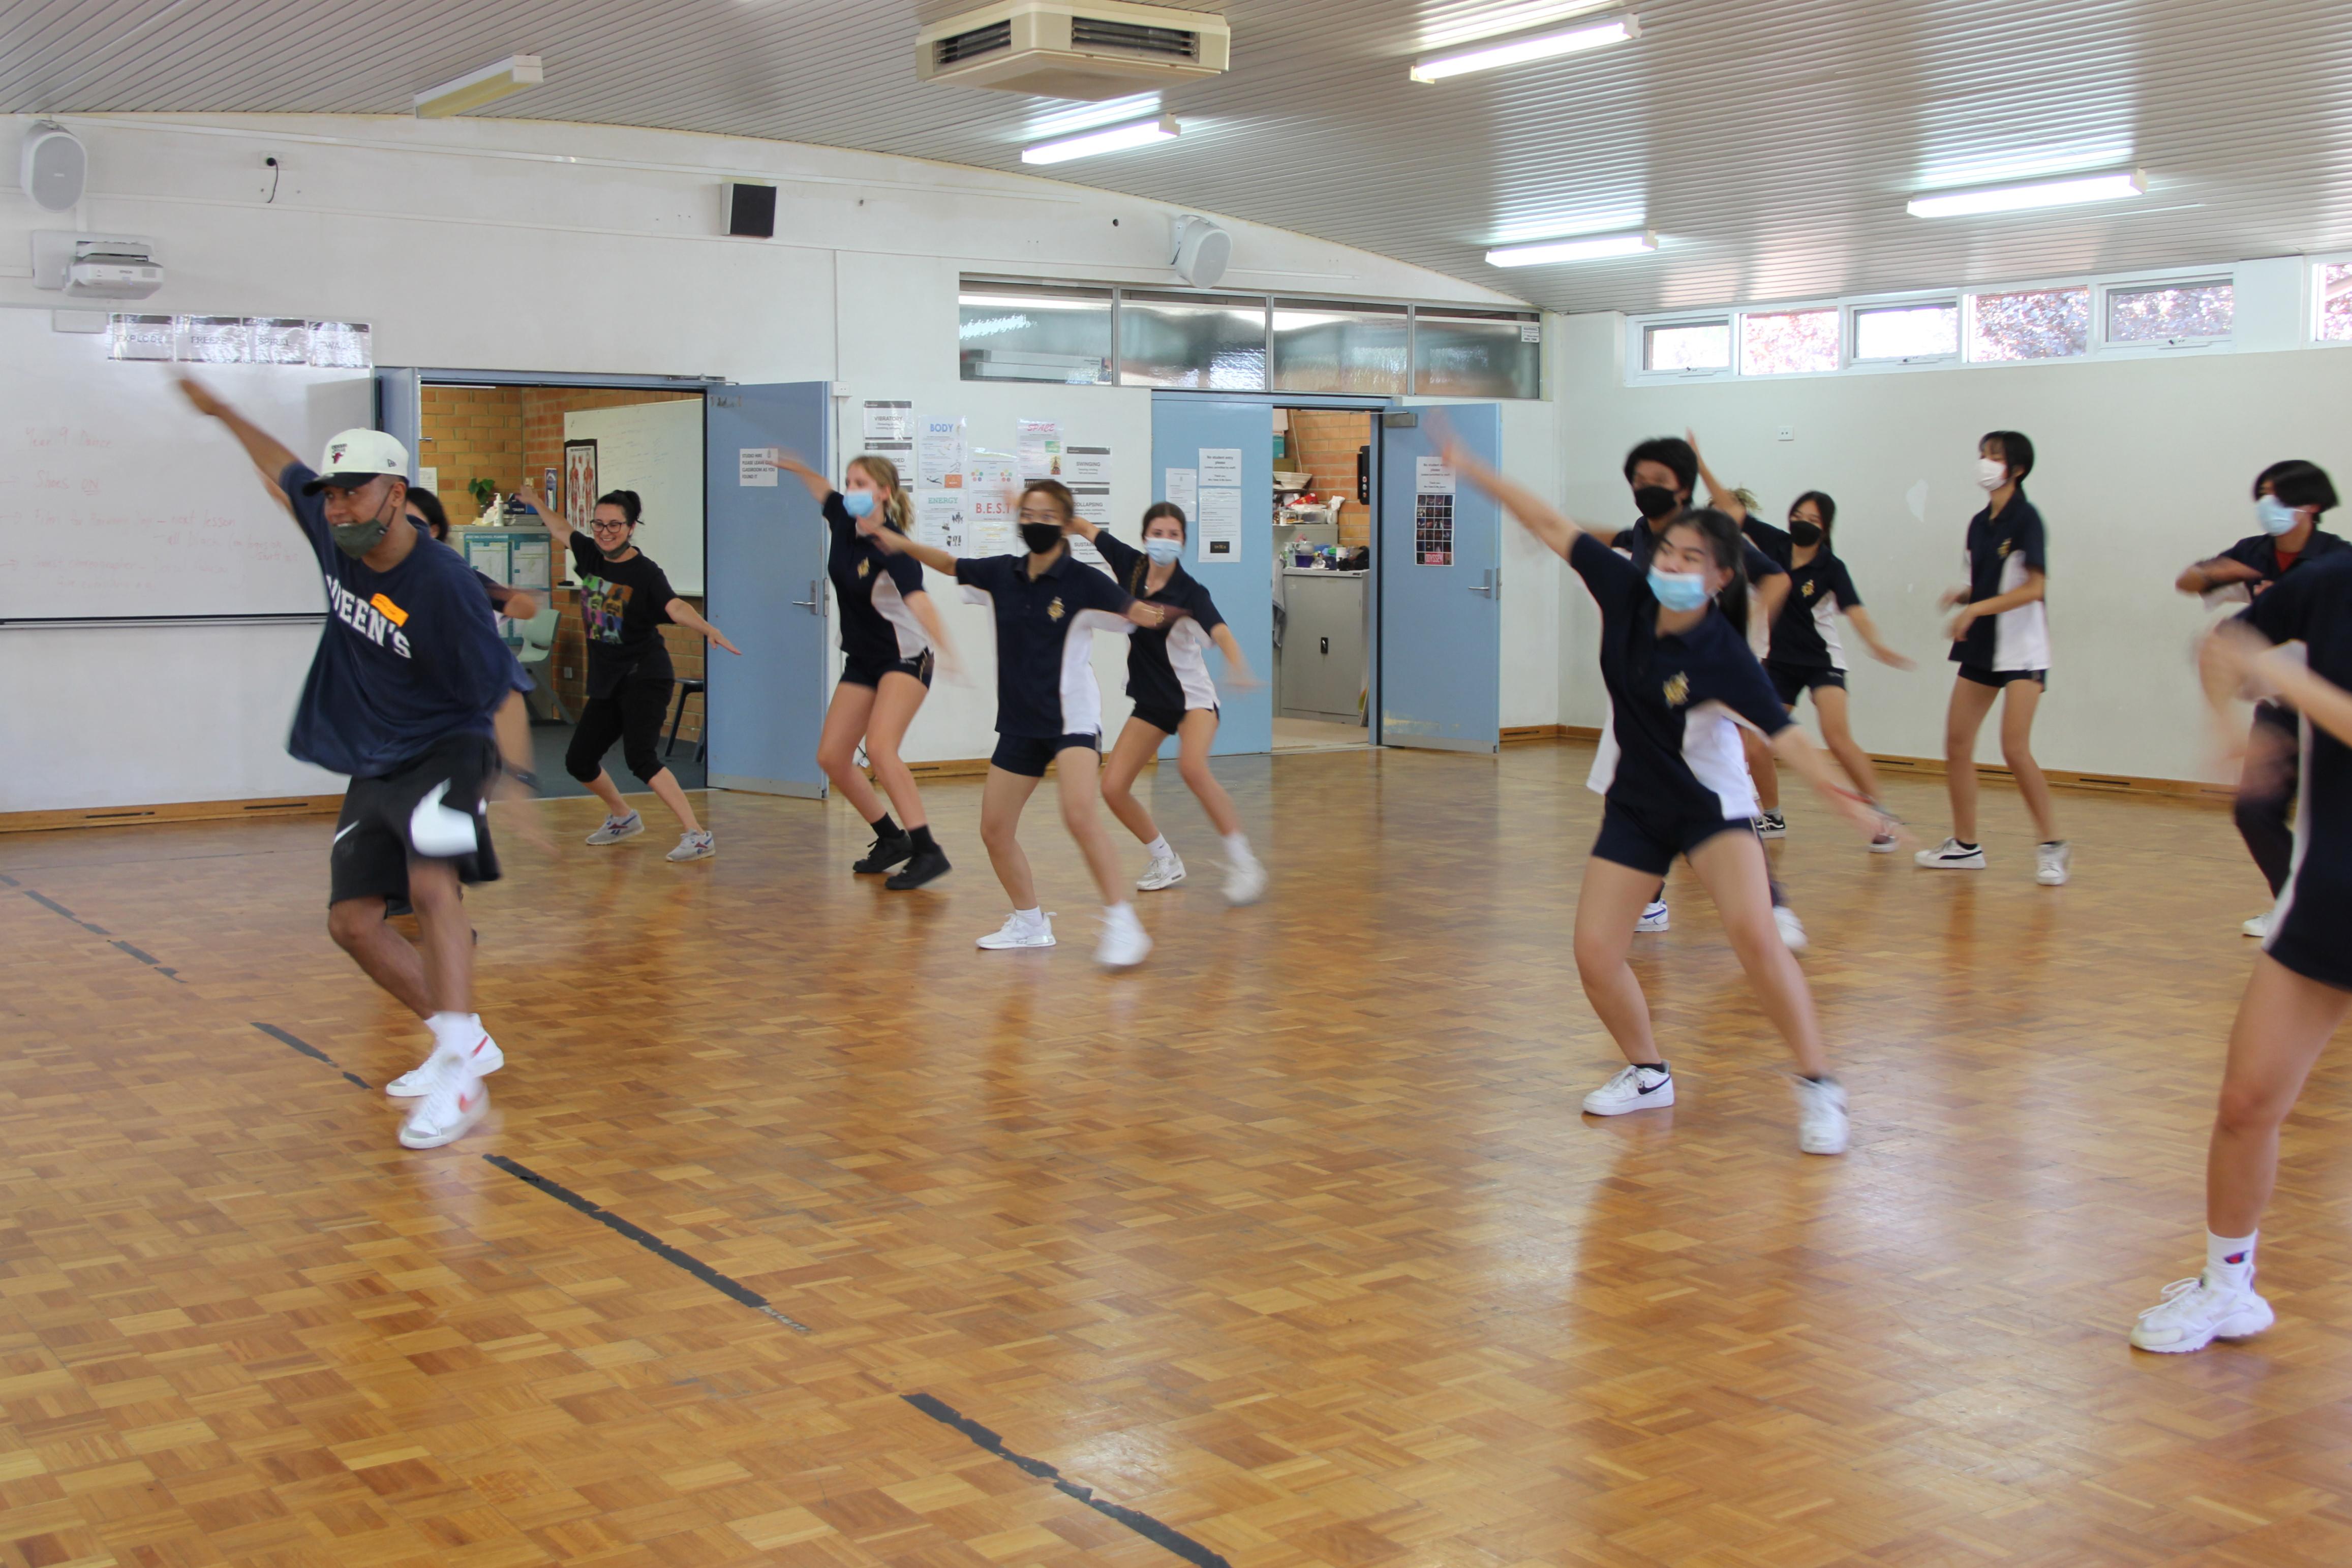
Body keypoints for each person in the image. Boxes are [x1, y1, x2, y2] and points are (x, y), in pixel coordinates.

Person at [1443, 430, 1894, 1155]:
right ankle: (1648, 1072)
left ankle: (1819, 1084)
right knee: (1594, 951)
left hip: (1709, 809)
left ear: (1719, 578)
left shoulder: (1720, 651)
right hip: (1636, 804)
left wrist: (1842, 797)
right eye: (1668, 552)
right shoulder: (1623, 589)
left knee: (1755, 938)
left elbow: (1783, 735)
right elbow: (1549, 522)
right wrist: (1474, 470)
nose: (1672, 563)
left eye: (1691, 558)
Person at [179, 377, 517, 1149]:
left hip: (451, 745)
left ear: (396, 494)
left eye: (352, 493)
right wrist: (224, 411)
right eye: (331, 496)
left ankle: (460, 1080)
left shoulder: (444, 583)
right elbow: (283, 467)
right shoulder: (334, 534)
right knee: (352, 923)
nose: (336, 508)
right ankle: (463, 1041)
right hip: (381, 754)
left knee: (430, 886)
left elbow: (496, 688)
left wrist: (511, 784)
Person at [2129, 555, 2352, 1351]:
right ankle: (2227, 1288)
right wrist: (2225, 729)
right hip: (2332, 891)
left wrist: (2285, 680)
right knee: (2246, 1101)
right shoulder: (2331, 583)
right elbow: (2223, 643)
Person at [861, 480, 1178, 966]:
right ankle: (1030, 923)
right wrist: (901, 543)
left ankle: (1123, 922)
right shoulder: (1002, 573)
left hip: (1071, 718)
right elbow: (949, 563)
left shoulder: (1083, 581)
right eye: (1028, 515)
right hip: (1019, 720)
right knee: (994, 829)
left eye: (1048, 517)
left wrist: (1173, 608)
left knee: (1078, 814)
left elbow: (1139, 612)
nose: (1035, 523)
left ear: (1065, 525)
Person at [1615, 435, 1798, 944]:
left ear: (1683, 488)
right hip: (1651, 686)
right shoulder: (1641, 534)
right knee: (1645, 789)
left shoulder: (1708, 535)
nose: (1646, 488)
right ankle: (1651, 898)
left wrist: (1744, 633)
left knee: (1723, 792)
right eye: (1639, 479)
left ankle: (1772, 904)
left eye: (1658, 480)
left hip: (1703, 684)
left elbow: (1775, 579)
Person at [516, 482, 739, 862]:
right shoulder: (590, 555)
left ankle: (698, 835)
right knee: (579, 760)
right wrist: (536, 501)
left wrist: (708, 629)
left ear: (631, 527)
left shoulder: (645, 573)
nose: (605, 532)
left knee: (641, 758)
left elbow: (675, 607)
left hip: (645, 675)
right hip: (609, 679)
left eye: (614, 525)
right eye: (598, 524)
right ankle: (623, 816)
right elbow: (561, 528)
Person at [2174, 460, 2347, 937]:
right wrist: (2215, 570)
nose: (2267, 505)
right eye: (2263, 495)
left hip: (2332, 708)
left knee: (2330, 820)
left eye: (2278, 496)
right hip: (2278, 709)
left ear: (2310, 505)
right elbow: (2194, 594)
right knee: (2253, 811)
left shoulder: (2335, 562)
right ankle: (2293, 904)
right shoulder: (2253, 553)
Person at [1065, 502, 1268, 905]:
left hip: (1192, 699)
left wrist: (1238, 665)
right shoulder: (1131, 565)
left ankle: (1244, 861)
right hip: (1151, 700)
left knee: (1192, 767)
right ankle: (1165, 859)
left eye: (1173, 534)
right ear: (1146, 537)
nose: (1164, 540)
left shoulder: (1190, 591)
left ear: (1183, 542)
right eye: (1157, 533)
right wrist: (1052, 518)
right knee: (1113, 787)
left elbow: (1220, 631)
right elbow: (1086, 528)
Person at [775, 451, 958, 889]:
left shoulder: (894, 547)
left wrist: (948, 648)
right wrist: (797, 467)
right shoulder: (842, 518)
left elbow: (919, 601)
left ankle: (928, 851)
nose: (851, 490)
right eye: (849, 482)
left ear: (884, 492)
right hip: (862, 658)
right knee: (831, 757)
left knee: (879, 747)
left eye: (860, 484)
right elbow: (822, 490)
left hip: (905, 658)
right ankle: (892, 839)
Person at [1914, 431, 2068, 884]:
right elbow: (1985, 582)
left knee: (2014, 748)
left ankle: (2052, 846)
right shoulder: (1978, 523)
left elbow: (2034, 588)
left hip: (2023, 648)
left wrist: (1975, 608)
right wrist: (1964, 594)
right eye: (1981, 454)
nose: (1984, 462)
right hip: (1982, 645)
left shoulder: (2027, 519)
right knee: (1957, 743)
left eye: (1994, 456)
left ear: (2016, 469)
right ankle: (1965, 846)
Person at [1729, 488, 1914, 846]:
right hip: (1778, 662)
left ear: (1825, 527)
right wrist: (1699, 464)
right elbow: (1732, 508)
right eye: (1798, 516)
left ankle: (1882, 815)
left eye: (1812, 519)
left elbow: (1856, 611)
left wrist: (1875, 644)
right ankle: (1772, 816)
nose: (1803, 523)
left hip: (1822, 661)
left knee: (1836, 737)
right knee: (1756, 744)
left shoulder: (1832, 567)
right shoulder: (1774, 545)